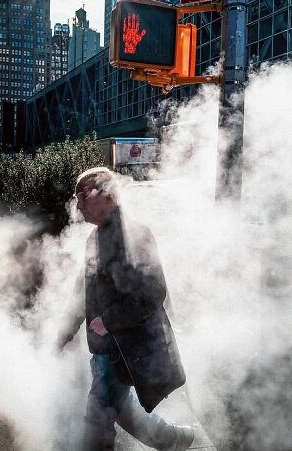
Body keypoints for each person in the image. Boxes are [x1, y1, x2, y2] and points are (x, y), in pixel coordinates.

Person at [58, 167, 194, 451]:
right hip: (105, 350)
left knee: (98, 419)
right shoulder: (94, 240)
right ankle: (175, 439)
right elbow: (82, 294)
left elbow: (153, 292)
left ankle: (174, 439)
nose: (78, 205)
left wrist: (108, 320)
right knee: (121, 408)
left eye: (83, 196)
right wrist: (62, 335)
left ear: (107, 195)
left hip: (126, 350)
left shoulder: (136, 234)